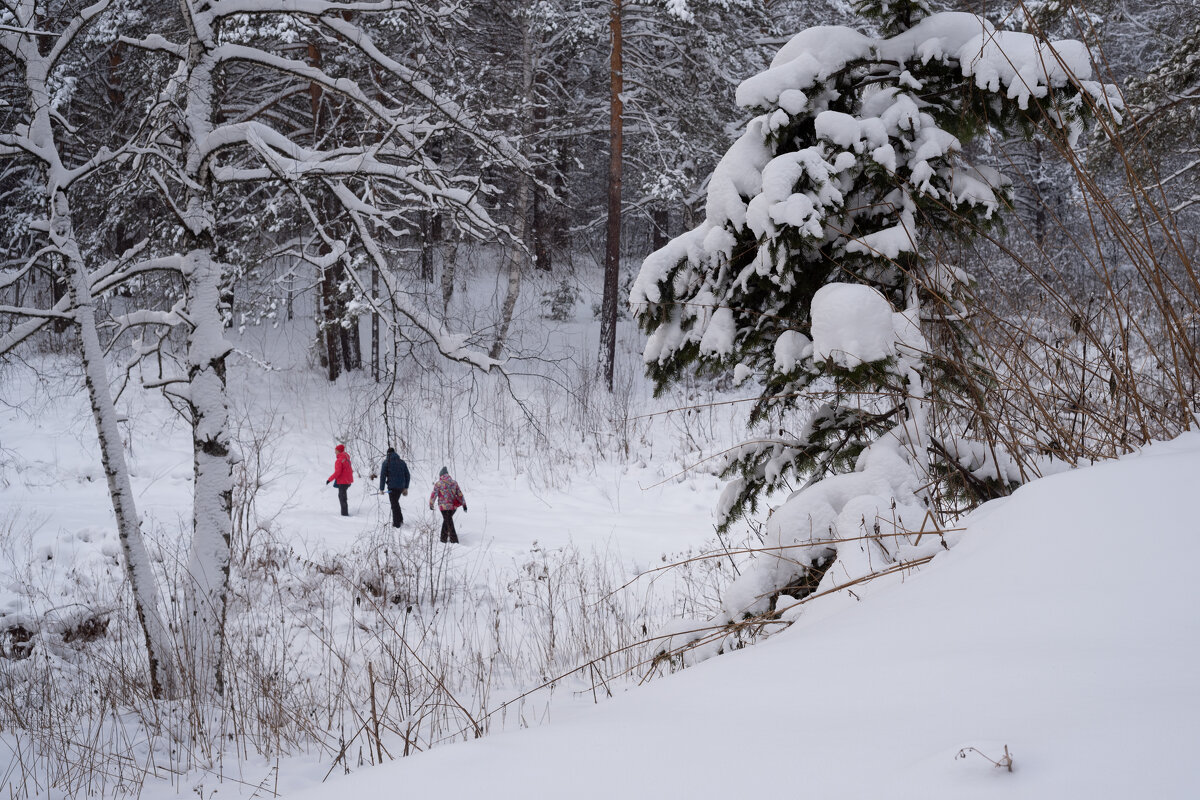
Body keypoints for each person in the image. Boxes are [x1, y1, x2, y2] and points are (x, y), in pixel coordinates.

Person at [428, 467, 466, 544]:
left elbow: (434, 494)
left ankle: (454, 540)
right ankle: (443, 538)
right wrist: (464, 504)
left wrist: (431, 503)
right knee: (447, 520)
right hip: (453, 507)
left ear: (441, 475)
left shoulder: (438, 483)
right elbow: (459, 494)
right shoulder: (454, 482)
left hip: (443, 507)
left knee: (448, 521)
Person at [378, 446, 410, 528]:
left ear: (388, 454)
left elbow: (383, 476)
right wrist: (406, 487)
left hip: (392, 487)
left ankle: (396, 524)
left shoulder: (386, 463)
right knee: (395, 503)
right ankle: (400, 519)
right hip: (401, 487)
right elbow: (407, 475)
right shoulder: (402, 462)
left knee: (394, 504)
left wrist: (381, 489)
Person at [326, 444, 354, 516]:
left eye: (336, 451)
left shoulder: (339, 460)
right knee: (342, 496)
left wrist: (329, 479)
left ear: (339, 451)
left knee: (342, 498)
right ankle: (345, 513)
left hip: (343, 481)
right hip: (347, 480)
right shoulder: (346, 458)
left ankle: (344, 515)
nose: (335, 452)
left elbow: (337, 472)